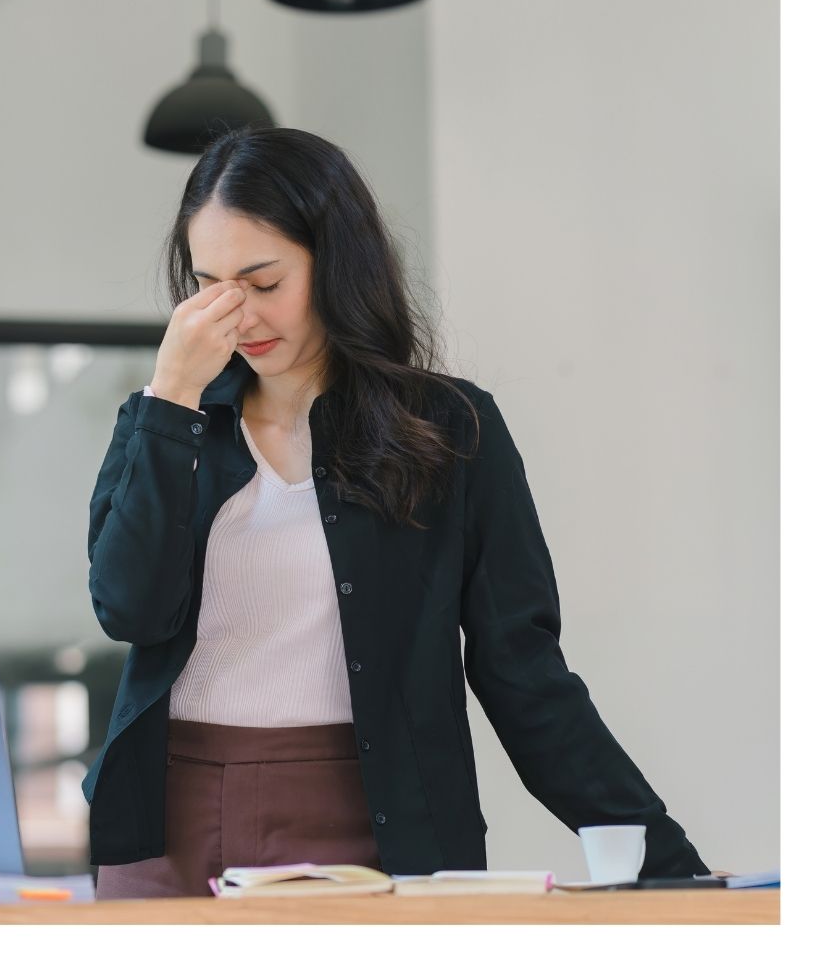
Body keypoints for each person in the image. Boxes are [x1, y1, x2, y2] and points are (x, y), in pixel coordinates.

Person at [84, 123, 714, 900]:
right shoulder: (159, 424)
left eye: (264, 282)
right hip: (165, 820)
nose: (237, 315)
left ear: (335, 261)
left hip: (373, 821)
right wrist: (172, 396)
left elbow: (522, 672)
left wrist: (672, 867)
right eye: (211, 286)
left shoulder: (449, 430)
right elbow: (129, 609)